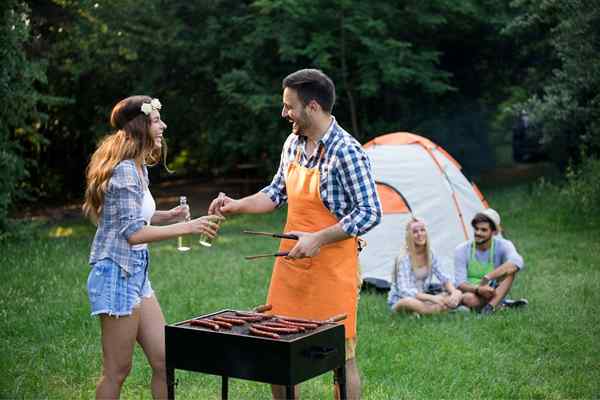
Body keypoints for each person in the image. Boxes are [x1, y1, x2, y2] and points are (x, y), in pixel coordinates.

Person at [208, 69, 382, 400]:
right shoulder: (292, 143)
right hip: (291, 266)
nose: (284, 113)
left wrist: (318, 238)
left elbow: (371, 212)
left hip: (333, 269)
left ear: (312, 107)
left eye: (289, 106)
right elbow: (275, 193)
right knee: (278, 349)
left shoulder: (347, 151)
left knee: (340, 359)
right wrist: (236, 205)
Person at [82, 95, 223, 399]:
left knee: (165, 360)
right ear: (140, 125)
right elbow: (132, 233)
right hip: (115, 275)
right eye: (157, 120)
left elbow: (133, 215)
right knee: (117, 371)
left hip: (136, 275)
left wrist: (167, 216)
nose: (164, 126)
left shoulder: (138, 168)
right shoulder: (124, 172)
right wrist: (186, 226)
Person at [454, 208, 527, 315]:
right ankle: (500, 303)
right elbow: (460, 283)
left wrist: (488, 277)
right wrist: (479, 289)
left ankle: (489, 308)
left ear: (494, 232)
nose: (478, 233)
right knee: (468, 299)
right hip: (473, 291)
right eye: (476, 229)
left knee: (511, 271)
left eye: (484, 230)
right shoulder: (462, 249)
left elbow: (518, 261)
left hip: (493, 289)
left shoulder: (503, 245)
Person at [388, 218, 463, 315]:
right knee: (408, 302)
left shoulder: (430, 254)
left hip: (422, 298)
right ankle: (440, 309)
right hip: (402, 300)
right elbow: (405, 291)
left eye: (422, 230)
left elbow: (444, 278)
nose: (420, 234)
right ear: (409, 236)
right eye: (415, 232)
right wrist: (432, 298)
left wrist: (454, 292)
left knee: (458, 293)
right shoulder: (403, 258)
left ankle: (430, 310)